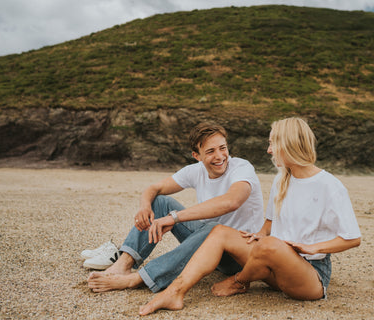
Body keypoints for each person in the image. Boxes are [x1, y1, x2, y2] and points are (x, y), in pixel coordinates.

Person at [139, 117, 362, 316]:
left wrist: (315, 248)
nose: (269, 150)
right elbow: (269, 225)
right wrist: (258, 235)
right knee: (220, 232)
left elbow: (353, 238)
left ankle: (239, 281)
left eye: (273, 144)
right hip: (273, 264)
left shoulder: (329, 185)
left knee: (271, 245)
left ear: (290, 144)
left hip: (309, 276)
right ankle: (175, 292)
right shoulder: (282, 179)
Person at [87, 122, 264, 293]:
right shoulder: (195, 171)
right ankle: (123, 265)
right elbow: (153, 188)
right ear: (197, 156)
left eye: (223, 148)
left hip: (239, 256)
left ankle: (139, 279)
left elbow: (231, 201)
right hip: (208, 247)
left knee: (214, 229)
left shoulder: (241, 167)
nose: (220, 156)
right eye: (210, 151)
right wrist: (144, 207)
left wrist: (175, 218)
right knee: (160, 201)